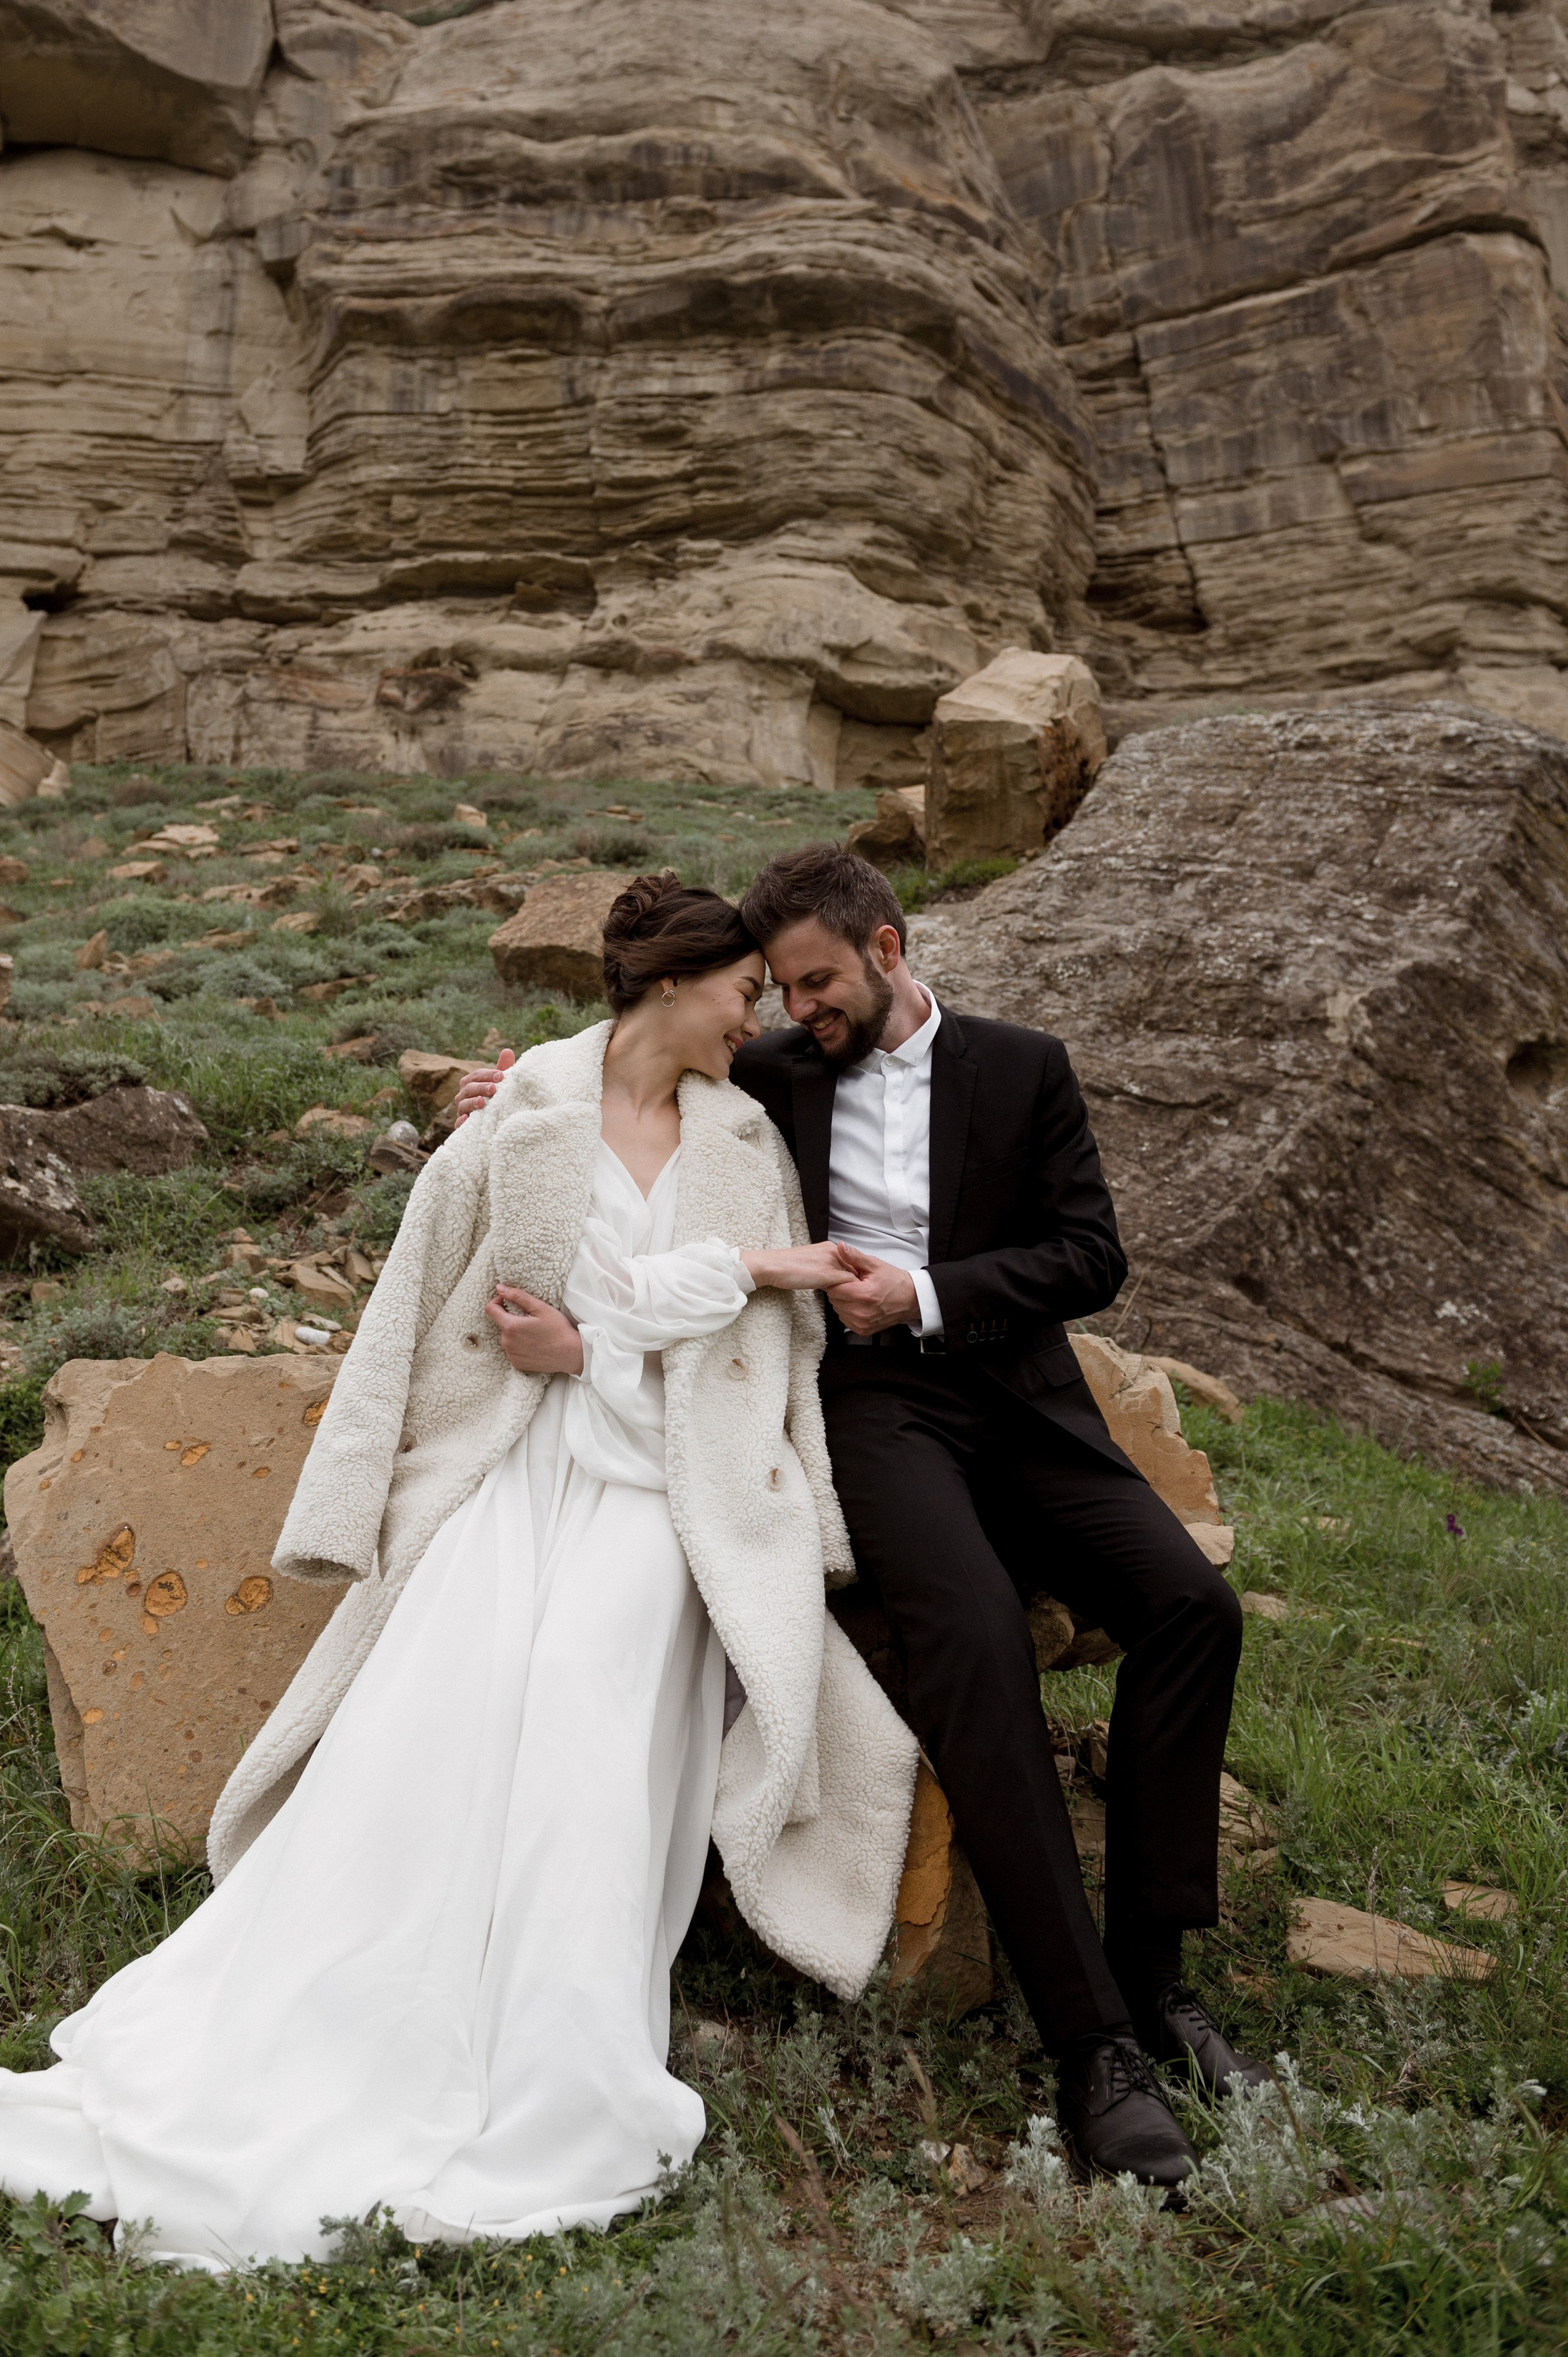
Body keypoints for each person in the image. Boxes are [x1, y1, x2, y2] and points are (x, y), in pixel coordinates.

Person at [0, 874, 918, 2269]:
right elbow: (418, 1299)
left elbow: (759, 1353)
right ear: (673, 981)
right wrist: (351, 1495)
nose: (758, 1015)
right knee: (433, 1701)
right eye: (741, 990)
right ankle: (352, 2015)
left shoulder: (743, 1134)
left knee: (584, 1692)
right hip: (514, 1466)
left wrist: (622, 1356)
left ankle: (557, 2039)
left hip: (665, 1489)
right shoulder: (521, 1109)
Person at [458, 844, 1268, 2193]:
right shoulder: (774, 1071)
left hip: (1025, 1398)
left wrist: (930, 1293)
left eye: (818, 981)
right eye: (778, 990)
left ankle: (1157, 1976)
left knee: (1195, 1611)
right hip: (876, 1413)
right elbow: (632, 1062)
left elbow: (1091, 1255)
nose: (796, 1010)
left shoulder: (1026, 1067)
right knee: (974, 1644)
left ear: (887, 950)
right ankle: (1092, 2047)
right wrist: (515, 1092)